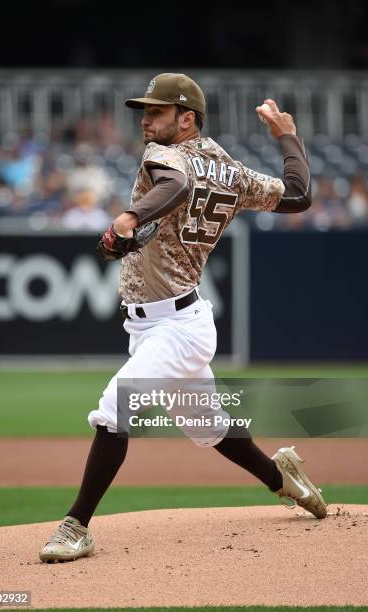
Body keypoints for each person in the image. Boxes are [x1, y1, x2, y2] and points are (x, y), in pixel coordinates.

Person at [39, 73, 327, 563]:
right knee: (211, 429)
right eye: (145, 112)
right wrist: (287, 138)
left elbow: (177, 181)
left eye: (156, 112)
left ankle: (76, 526)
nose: (146, 121)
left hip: (175, 326)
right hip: (174, 322)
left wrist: (130, 218)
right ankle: (286, 478)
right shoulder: (233, 172)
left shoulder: (166, 156)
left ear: (186, 119)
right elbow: (299, 195)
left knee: (115, 407)